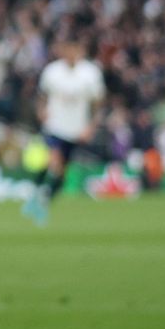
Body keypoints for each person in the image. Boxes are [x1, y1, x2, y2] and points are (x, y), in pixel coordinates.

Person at [24, 39, 105, 225]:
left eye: (74, 48)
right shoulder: (52, 71)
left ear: (80, 50)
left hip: (76, 129)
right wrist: (41, 110)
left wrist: (91, 126)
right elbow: (42, 95)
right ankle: (38, 199)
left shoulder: (90, 73)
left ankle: (40, 201)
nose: (70, 53)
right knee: (55, 161)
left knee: (60, 172)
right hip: (54, 126)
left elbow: (98, 102)